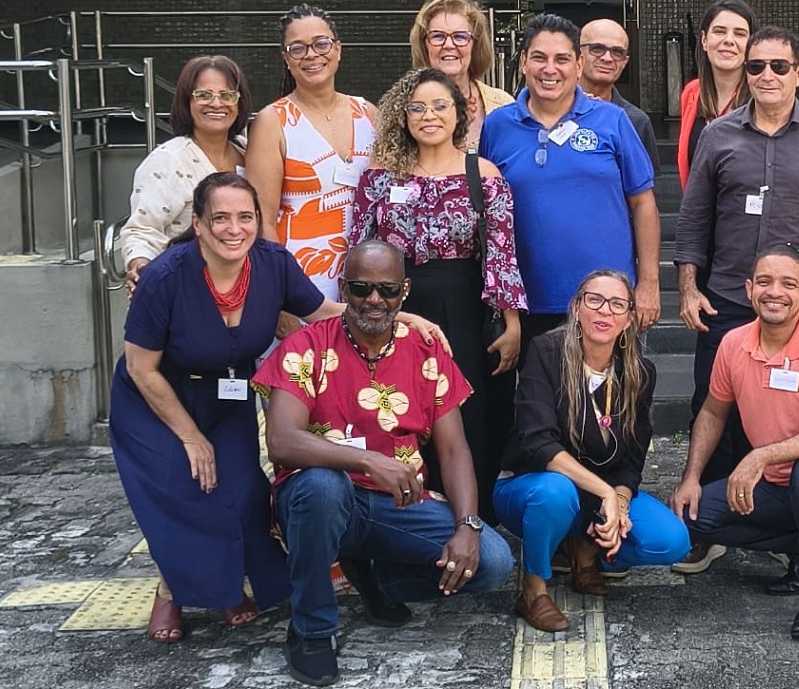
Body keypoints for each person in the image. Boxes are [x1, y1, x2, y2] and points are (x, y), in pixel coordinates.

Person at [257, 240, 515, 687]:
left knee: (492, 561)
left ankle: (378, 578)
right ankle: (312, 630)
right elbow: (281, 440)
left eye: (386, 290)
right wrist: (368, 461)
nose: (374, 300)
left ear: (404, 291)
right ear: (343, 287)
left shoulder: (425, 350)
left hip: (396, 505)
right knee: (323, 486)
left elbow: (454, 449)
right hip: (319, 499)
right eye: (360, 288)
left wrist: (468, 526)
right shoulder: (306, 345)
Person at [673, 24, 799, 569]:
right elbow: (692, 222)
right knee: (713, 408)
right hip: (728, 298)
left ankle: (796, 529)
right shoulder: (718, 136)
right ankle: (711, 527)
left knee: (797, 416)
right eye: (756, 66)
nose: (765, 76)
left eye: (778, 67)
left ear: (798, 73)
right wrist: (688, 289)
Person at [112, 173, 334, 643]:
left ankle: (226, 585)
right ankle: (171, 590)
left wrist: (402, 317)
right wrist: (191, 438)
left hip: (225, 392)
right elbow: (140, 367)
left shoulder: (273, 263)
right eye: (220, 218)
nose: (234, 229)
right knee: (183, 488)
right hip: (154, 398)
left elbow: (322, 313)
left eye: (245, 217)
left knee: (242, 492)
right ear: (198, 223)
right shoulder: (164, 277)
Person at [670, 246, 799, 641]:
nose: (775, 292)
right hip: (778, 486)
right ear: (749, 290)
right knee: (688, 519)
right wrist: (691, 478)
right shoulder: (733, 343)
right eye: (764, 282)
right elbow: (713, 413)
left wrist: (761, 456)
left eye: (788, 283)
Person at [347, 67, 527, 518]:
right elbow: (359, 249)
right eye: (418, 107)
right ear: (403, 116)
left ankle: (471, 516)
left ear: (460, 113)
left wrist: (512, 323)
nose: (429, 116)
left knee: (466, 410)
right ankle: (405, 512)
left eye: (440, 105)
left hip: (463, 304)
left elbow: (501, 253)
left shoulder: (482, 174)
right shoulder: (381, 176)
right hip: (390, 305)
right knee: (399, 406)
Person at [495, 269, 690, 632]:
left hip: (595, 497)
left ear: (630, 318)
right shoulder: (546, 352)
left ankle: (588, 549)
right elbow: (538, 443)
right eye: (594, 300)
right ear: (576, 307)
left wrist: (621, 503)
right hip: (530, 487)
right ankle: (534, 589)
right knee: (555, 492)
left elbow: (633, 457)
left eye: (617, 304)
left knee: (672, 541)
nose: (605, 312)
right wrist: (605, 493)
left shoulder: (639, 372)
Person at [480, 13, 662, 337]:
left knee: (612, 389)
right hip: (526, 305)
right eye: (539, 57)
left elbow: (643, 204)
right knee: (538, 389)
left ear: (578, 65)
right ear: (523, 62)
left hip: (607, 303)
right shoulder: (497, 126)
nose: (550, 69)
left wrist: (648, 283)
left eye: (561, 59)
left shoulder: (614, 121)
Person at [246, 4, 377, 303]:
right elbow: (261, 220)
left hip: (367, 282)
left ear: (338, 49)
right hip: (301, 281)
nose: (311, 55)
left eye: (321, 44)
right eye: (298, 48)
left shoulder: (369, 114)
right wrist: (281, 298)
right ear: (286, 59)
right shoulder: (272, 122)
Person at [118, 55, 252, 295]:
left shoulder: (248, 150)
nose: (217, 103)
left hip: (247, 292)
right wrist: (141, 268)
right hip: (187, 294)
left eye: (227, 95)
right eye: (203, 95)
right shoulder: (169, 158)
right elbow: (142, 231)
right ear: (185, 101)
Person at [409, 0, 514, 143]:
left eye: (460, 36)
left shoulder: (504, 105)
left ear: (475, 45)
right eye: (438, 36)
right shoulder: (404, 108)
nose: (449, 45)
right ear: (424, 45)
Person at [677, 0, 757, 189]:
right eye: (719, 31)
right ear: (704, 41)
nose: (728, 41)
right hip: (700, 214)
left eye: (739, 34)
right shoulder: (691, 93)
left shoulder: (763, 96)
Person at [579, 17, 661, 168]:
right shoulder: (549, 110)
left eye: (617, 52)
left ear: (625, 62)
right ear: (578, 55)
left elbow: (644, 187)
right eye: (597, 49)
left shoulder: (636, 121)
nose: (607, 58)